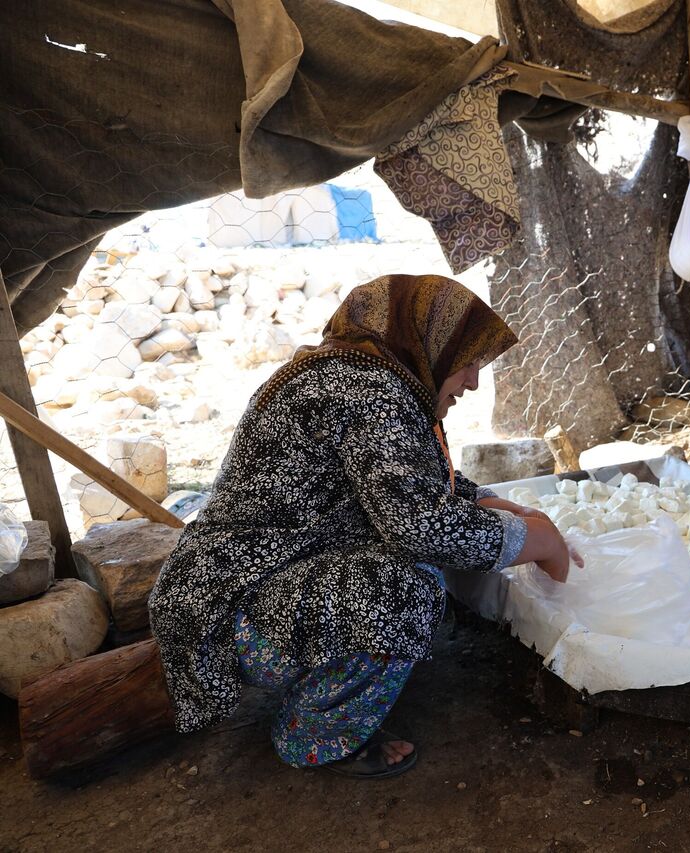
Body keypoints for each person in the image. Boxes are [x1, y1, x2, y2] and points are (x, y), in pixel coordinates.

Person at [149, 274, 578, 779]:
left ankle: (328, 679)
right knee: (404, 588)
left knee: (412, 567)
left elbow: (399, 475)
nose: (473, 381)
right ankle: (314, 734)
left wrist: (488, 499)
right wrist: (536, 540)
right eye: (468, 362)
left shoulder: (358, 376)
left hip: (244, 589)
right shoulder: (365, 392)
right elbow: (421, 525)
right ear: (428, 343)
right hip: (228, 616)